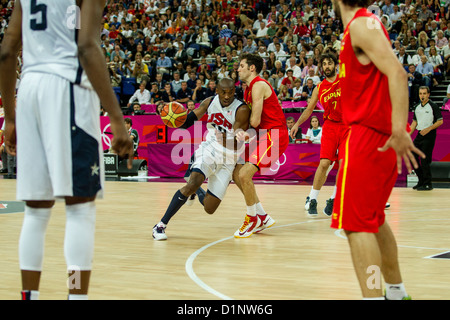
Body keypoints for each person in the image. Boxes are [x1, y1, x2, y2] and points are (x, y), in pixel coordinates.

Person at [0, 0, 133, 300]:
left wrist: (10, 116)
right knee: (79, 210)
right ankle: (76, 296)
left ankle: (28, 296)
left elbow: (7, 51)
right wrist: (116, 117)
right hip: (68, 89)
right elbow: (87, 47)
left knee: (35, 211)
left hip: (29, 88)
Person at [329, 0, 425, 300]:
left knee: (354, 225)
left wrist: (399, 128)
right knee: (373, 219)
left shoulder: (360, 24)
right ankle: (397, 292)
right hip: (372, 136)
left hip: (368, 135)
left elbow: (397, 72)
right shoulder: (361, 25)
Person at [152, 78, 251, 240]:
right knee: (193, 181)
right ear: (217, 91)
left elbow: (235, 142)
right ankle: (160, 226)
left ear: (235, 91)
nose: (227, 96)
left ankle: (195, 190)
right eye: (223, 92)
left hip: (229, 160)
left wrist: (236, 136)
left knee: (209, 207)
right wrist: (173, 118)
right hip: (210, 149)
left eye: (231, 92)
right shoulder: (209, 102)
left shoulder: (241, 109)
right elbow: (186, 122)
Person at [234, 53, 289, 238]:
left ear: (252, 68)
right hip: (264, 135)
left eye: (241, 65)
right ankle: (262, 216)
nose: (238, 68)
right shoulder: (248, 89)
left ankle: (252, 219)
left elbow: (255, 121)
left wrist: (242, 131)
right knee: (238, 173)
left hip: (275, 134)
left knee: (244, 174)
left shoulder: (258, 85)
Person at [290, 53, 347, 217]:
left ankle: (334, 198)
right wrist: (297, 124)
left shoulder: (345, 81)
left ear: (335, 65)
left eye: (330, 63)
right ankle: (312, 198)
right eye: (325, 64)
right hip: (330, 126)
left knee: (344, 165)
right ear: (321, 68)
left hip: (347, 127)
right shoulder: (319, 87)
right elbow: (309, 110)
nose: (327, 66)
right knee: (324, 163)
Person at [410, 86, 444, 191]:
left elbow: (440, 121)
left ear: (428, 94)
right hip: (420, 134)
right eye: (420, 94)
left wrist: (429, 129)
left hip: (429, 135)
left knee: (425, 160)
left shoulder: (433, 106)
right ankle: (421, 181)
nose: (422, 96)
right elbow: (414, 123)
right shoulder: (417, 107)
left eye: (424, 93)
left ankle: (428, 183)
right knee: (412, 156)